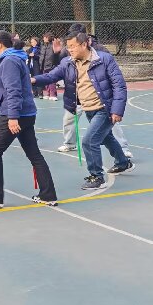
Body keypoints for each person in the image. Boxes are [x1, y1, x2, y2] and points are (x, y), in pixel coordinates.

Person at [33, 31, 134, 190]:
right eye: (68, 46)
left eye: (73, 46)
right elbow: (51, 76)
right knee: (106, 137)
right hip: (88, 109)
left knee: (89, 141)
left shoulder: (103, 59)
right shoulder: (68, 63)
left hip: (105, 109)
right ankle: (123, 163)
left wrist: (117, 110)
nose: (70, 49)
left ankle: (97, 177)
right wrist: (33, 79)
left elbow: (119, 85)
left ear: (84, 44)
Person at [0, 31, 58, 208]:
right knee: (34, 154)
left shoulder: (9, 61)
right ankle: (48, 194)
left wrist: (12, 117)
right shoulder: (15, 58)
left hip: (15, 114)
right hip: (26, 114)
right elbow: (3, 82)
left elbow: (13, 90)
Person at [55, 24, 133, 159]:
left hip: (98, 97)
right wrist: (57, 53)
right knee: (69, 119)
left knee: (111, 122)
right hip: (78, 94)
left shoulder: (99, 49)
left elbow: (112, 74)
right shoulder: (70, 48)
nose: (71, 47)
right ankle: (69, 143)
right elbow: (61, 64)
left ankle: (123, 148)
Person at [39, 32, 58, 100]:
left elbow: (56, 55)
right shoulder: (43, 46)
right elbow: (41, 56)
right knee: (46, 80)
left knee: (52, 80)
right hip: (43, 66)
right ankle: (48, 93)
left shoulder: (53, 45)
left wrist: (53, 64)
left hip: (51, 65)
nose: (43, 38)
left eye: (45, 37)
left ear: (48, 38)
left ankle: (53, 94)